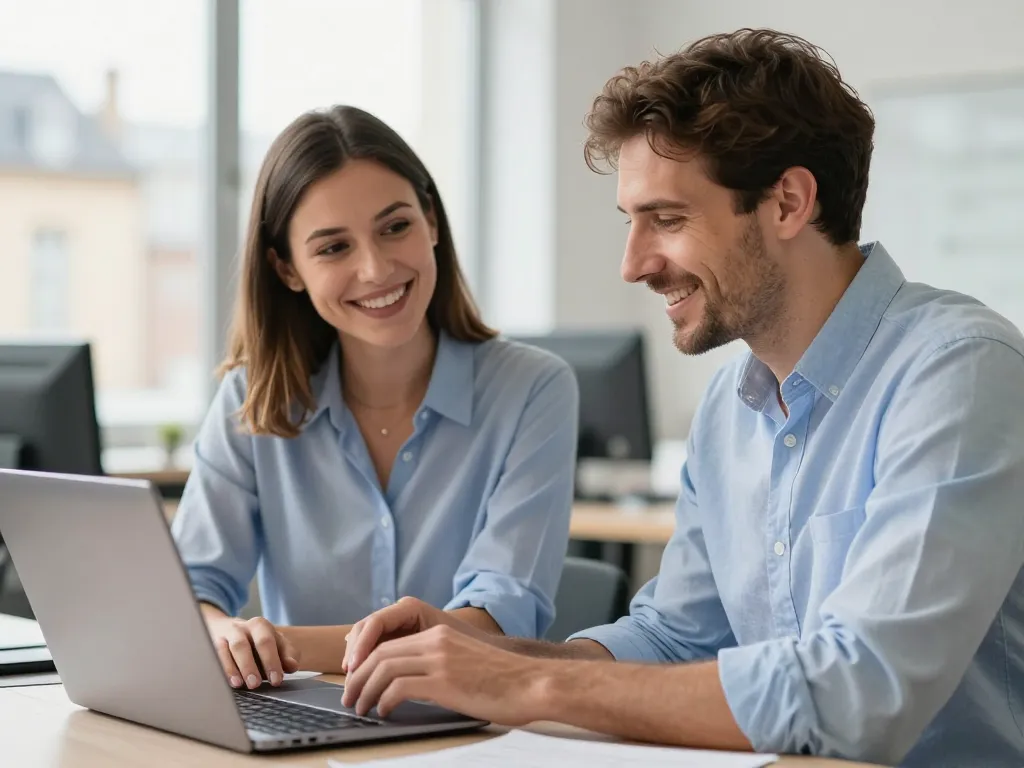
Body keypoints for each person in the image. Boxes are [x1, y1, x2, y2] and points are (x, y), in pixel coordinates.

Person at [335, 29, 1024, 767]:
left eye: (666, 220)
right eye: (632, 222)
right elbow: (673, 639)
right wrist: (476, 656)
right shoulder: (731, 404)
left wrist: (526, 683)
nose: (634, 265)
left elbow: (860, 695)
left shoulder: (959, 372)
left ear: (788, 202)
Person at [170, 106, 579, 690]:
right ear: (287, 269)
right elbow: (189, 592)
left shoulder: (533, 390)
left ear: (431, 220)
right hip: (299, 727)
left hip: (462, 728)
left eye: (395, 227)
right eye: (333, 248)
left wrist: (274, 647)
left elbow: (495, 619)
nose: (376, 268)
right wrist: (221, 635)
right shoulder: (253, 399)